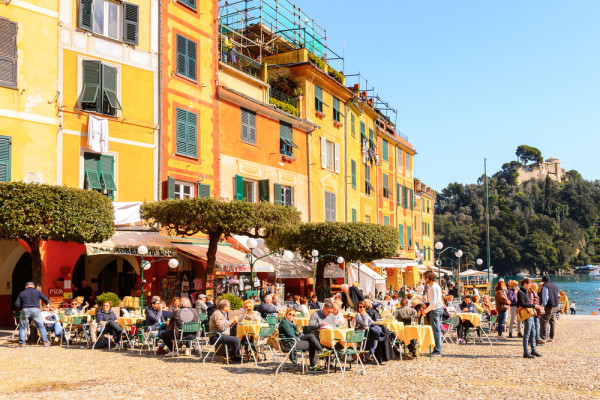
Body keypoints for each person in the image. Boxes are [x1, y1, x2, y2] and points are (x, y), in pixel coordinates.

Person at [15, 282, 51, 348]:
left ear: (26, 286)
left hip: (25, 309)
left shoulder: (22, 293)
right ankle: (46, 342)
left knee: (22, 327)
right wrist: (47, 303)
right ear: (34, 286)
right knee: (41, 326)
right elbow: (46, 299)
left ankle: (22, 343)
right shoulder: (37, 292)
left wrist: (21, 308)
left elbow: (16, 304)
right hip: (35, 309)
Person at [518, 278, 541, 358]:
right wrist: (534, 306)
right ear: (525, 284)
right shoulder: (520, 292)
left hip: (530, 314)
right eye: (529, 285)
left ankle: (533, 350)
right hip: (527, 315)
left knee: (533, 332)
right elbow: (523, 304)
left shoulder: (525, 292)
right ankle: (526, 352)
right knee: (527, 334)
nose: (530, 286)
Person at [423, 271, 444, 356]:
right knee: (436, 330)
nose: (424, 279)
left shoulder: (433, 287)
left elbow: (433, 303)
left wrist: (425, 311)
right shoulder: (433, 286)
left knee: (436, 331)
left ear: (429, 278)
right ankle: (437, 349)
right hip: (437, 309)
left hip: (435, 310)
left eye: (425, 277)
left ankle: (437, 350)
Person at [540, 276, 559, 342]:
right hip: (555, 305)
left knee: (545, 321)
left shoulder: (545, 286)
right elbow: (557, 295)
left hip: (549, 306)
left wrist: (543, 305)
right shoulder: (555, 286)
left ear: (543, 281)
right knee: (552, 322)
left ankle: (543, 338)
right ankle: (552, 337)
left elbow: (546, 296)